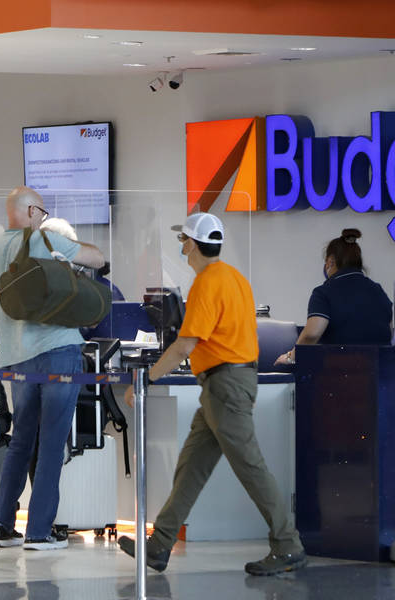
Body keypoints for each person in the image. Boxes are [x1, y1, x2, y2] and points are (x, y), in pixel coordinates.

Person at [119, 212, 306, 576]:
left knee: (250, 466)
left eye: (182, 240)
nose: (181, 246)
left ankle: (287, 544)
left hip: (225, 386)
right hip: (225, 384)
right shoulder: (234, 278)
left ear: (191, 243)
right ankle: (160, 544)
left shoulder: (206, 283)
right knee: (191, 467)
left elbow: (184, 344)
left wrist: (146, 379)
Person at [0, 187, 106, 550]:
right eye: (42, 213)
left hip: (15, 358)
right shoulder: (44, 240)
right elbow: (96, 258)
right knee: (51, 443)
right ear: (30, 211)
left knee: (20, 442)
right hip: (59, 352)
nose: (42, 218)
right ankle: (39, 532)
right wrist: (70, 246)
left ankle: (1, 525)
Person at [274, 228, 392, 365]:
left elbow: (312, 333)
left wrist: (290, 357)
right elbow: (389, 328)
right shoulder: (377, 290)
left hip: (341, 370)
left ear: (330, 261)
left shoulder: (324, 292)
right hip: (380, 369)